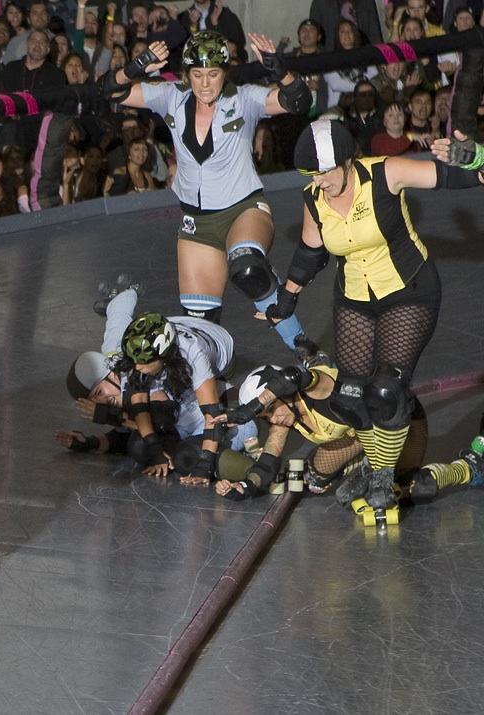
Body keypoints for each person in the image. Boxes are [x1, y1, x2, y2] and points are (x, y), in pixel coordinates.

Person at [262, 118, 483, 512]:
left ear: (349, 160)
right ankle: (369, 462)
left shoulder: (385, 172)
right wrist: (287, 297)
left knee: (386, 389)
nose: (321, 182)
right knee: (350, 400)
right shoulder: (315, 196)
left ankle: (380, 471)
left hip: (409, 289)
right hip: (354, 298)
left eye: (327, 171)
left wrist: (477, 157)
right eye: (313, 175)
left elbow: (463, 179)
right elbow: (311, 252)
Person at [104, 31, 314, 357]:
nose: (205, 84)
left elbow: (300, 101)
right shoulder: (169, 96)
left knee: (248, 269)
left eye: (213, 74)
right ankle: (213, 388)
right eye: (198, 75)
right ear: (186, 75)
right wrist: (139, 65)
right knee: (199, 333)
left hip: (243, 209)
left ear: (225, 72)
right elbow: (110, 92)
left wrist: (279, 68)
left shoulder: (244, 99)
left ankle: (306, 351)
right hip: (195, 224)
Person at [215, 363, 483, 504]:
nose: (272, 418)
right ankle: (365, 464)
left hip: (400, 423)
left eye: (271, 408)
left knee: (412, 490)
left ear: (282, 395)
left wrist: (254, 405)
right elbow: (266, 466)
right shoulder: (282, 418)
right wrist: (245, 486)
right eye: (265, 417)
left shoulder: (316, 389)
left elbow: (294, 375)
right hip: (361, 437)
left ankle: (467, 467)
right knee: (314, 479)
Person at [59, 287, 255, 477]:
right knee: (140, 444)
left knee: (182, 450)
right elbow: (129, 428)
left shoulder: (194, 355)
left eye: (100, 392)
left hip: (219, 351)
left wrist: (205, 465)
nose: (103, 400)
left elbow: (207, 415)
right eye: (95, 401)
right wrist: (90, 443)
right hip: (166, 359)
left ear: (111, 375)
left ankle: (259, 470)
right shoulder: (129, 361)